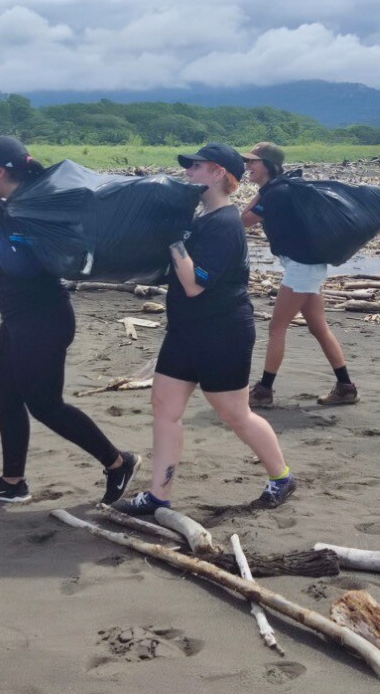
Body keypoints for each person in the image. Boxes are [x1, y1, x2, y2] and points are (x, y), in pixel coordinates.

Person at [113, 143, 296, 515]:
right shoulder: (202, 219)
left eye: (195, 167)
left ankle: (281, 477)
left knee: (235, 414)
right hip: (185, 330)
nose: (188, 173)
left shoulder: (226, 224)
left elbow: (195, 283)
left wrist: (172, 239)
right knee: (164, 407)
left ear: (216, 173)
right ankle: (158, 495)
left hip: (222, 332)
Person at [0, 136, 141, 503]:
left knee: (45, 404)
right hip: (20, 321)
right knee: (7, 395)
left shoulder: (30, 210)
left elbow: (20, 263)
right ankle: (12, 482)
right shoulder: (15, 207)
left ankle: (118, 462)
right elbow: (3, 251)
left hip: (42, 322)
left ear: (0, 170)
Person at [241, 142, 359, 408]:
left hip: (302, 266)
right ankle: (346, 387)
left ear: (268, 165)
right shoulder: (275, 189)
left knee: (276, 327)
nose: (247, 166)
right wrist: (261, 191)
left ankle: (263, 391)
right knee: (318, 327)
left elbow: (242, 221)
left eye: (253, 162)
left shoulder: (277, 193)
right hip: (308, 264)